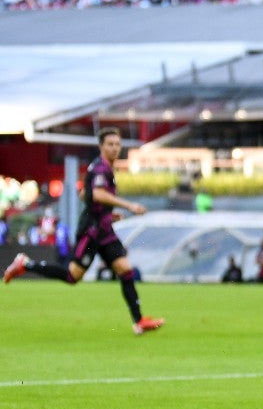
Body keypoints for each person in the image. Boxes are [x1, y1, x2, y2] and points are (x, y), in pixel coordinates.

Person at [3, 127, 164, 335]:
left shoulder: (104, 168)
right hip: (92, 231)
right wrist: (128, 206)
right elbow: (96, 194)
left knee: (125, 269)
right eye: (110, 144)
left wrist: (107, 213)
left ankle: (139, 321)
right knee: (72, 276)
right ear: (101, 146)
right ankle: (25, 264)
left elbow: (84, 194)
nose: (115, 148)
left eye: (117, 144)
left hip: (104, 229)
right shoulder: (100, 168)